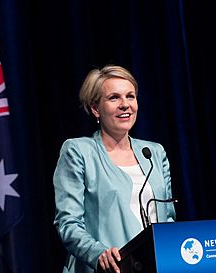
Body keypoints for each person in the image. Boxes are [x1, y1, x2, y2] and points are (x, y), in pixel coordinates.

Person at [53, 64, 176, 273]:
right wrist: (98, 252)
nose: (125, 105)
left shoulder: (154, 152)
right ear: (95, 108)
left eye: (130, 96)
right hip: (110, 268)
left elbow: (168, 218)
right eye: (114, 98)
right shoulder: (78, 151)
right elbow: (68, 222)